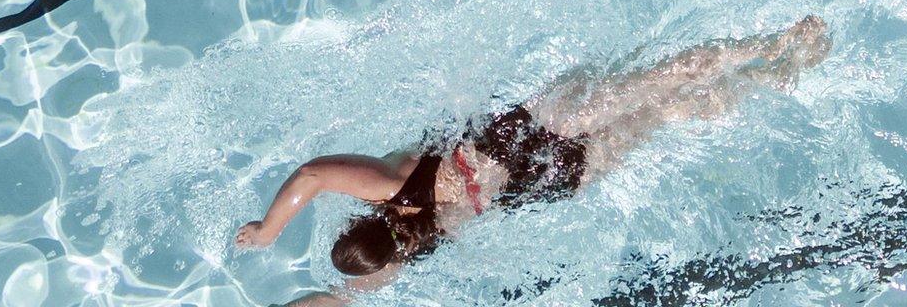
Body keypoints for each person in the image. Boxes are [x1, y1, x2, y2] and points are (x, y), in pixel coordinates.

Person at [235, 16, 831, 304]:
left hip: (537, 153)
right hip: (539, 159)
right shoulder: (396, 214)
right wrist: (269, 231)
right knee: (662, 95)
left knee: (658, 97)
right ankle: (776, 57)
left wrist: (268, 234)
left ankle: (775, 58)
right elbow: (317, 194)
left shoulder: (400, 207)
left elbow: (332, 285)